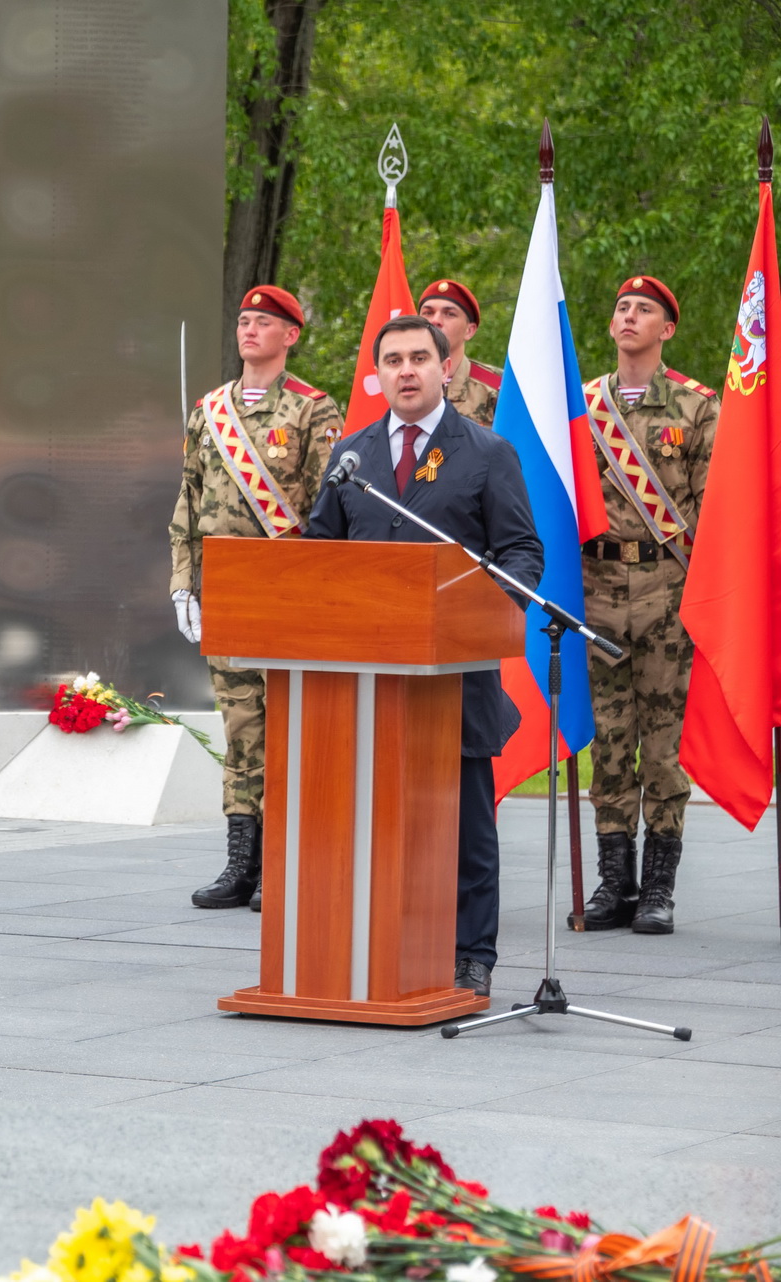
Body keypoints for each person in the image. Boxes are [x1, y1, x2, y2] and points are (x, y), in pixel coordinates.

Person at [307, 314, 544, 999]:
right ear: (377, 375)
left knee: (464, 827)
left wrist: (481, 614)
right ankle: (375, 945)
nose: (406, 370)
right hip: (365, 677)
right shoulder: (351, 455)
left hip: (454, 674)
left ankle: (471, 954)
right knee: (367, 821)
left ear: (446, 368)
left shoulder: (487, 452)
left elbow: (521, 552)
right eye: (393, 360)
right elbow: (320, 551)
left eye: (419, 358)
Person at [169, 286, 343, 912]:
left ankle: (283, 864)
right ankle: (241, 864)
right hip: (225, 589)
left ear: (290, 335)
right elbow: (187, 501)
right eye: (244, 320)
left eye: (264, 322)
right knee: (241, 729)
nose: (249, 329)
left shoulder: (312, 410)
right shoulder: (208, 410)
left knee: (289, 728)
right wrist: (183, 583)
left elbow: (330, 509)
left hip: (286, 591)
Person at [578, 275, 716, 934]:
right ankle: (616, 884)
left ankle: (659, 889)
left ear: (668, 329)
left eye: (645, 309)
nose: (629, 315)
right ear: (611, 326)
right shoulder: (582, 408)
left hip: (667, 591)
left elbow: (715, 513)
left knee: (661, 747)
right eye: (622, 307)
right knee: (608, 746)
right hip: (595, 591)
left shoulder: (697, 408)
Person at [418, 279, 500, 426]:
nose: (435, 321)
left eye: (449, 314)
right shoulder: (397, 382)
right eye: (428, 313)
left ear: (469, 330)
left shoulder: (498, 387)